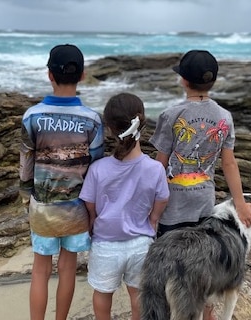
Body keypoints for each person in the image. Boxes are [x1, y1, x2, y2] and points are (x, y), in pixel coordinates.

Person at [148, 49, 251, 320]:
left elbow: (159, 165)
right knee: (202, 270)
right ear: (213, 81)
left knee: (171, 267)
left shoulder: (171, 114)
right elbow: (229, 164)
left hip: (172, 208)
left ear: (183, 80)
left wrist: (149, 206)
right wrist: (240, 204)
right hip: (204, 207)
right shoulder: (224, 117)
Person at [19, 44, 105, 320]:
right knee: (68, 269)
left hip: (43, 207)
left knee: (40, 270)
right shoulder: (92, 120)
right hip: (77, 209)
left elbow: (26, 162)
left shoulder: (32, 116)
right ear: (83, 75)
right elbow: (96, 167)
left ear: (49, 75)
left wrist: (26, 195)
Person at [79, 92, 170, 320]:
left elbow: (89, 203)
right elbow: (163, 198)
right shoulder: (154, 168)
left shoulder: (98, 168)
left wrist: (92, 219)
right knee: (138, 296)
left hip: (105, 244)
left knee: (102, 294)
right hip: (141, 243)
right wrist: (153, 219)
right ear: (142, 123)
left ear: (109, 128)